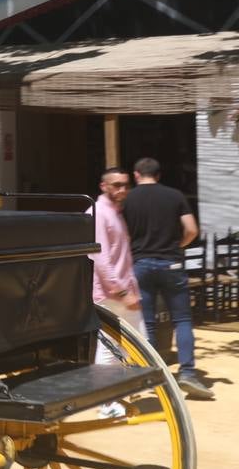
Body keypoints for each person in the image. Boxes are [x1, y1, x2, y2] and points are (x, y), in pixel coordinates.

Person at [123, 157, 214, 400]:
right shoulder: (175, 196)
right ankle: (188, 373)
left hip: (140, 263)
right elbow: (192, 229)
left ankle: (152, 375)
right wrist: (177, 246)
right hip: (171, 262)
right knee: (182, 319)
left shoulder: (128, 199)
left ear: (136, 175)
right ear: (159, 175)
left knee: (148, 323)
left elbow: (121, 233)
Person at [89, 167, 144, 365]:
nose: (122, 190)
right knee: (110, 349)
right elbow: (99, 257)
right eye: (117, 185)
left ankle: (123, 391)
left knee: (136, 346)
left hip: (123, 291)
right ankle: (108, 395)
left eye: (126, 185)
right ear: (104, 186)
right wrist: (121, 292)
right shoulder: (98, 213)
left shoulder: (115, 213)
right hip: (111, 295)